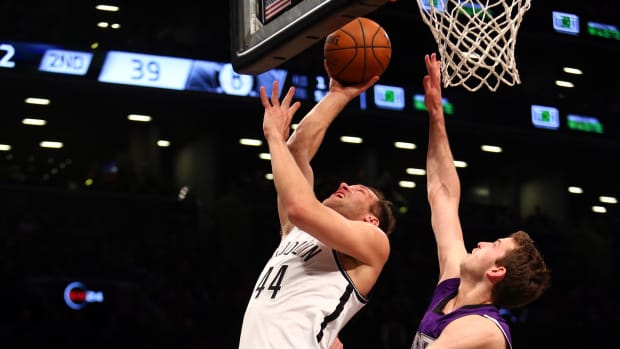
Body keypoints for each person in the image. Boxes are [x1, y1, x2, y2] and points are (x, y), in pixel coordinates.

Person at [238, 75, 397, 349]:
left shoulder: (374, 243)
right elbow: (296, 151)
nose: (345, 184)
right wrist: (338, 95)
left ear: (371, 220)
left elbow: (301, 208)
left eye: (360, 190)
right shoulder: (296, 232)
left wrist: (274, 136)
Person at [410, 53, 551, 349]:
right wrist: (436, 115)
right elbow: (443, 195)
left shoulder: (484, 330)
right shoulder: (452, 284)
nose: (484, 243)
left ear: (496, 271)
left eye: (495, 245)